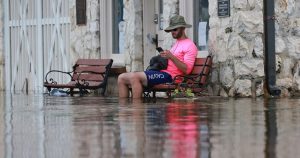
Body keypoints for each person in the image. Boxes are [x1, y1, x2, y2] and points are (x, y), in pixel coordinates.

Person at [118, 15, 198, 98]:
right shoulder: (177, 43)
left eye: (175, 29)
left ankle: (137, 109)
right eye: (171, 30)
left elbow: (187, 70)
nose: (172, 32)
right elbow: (171, 61)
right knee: (121, 78)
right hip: (162, 72)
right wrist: (164, 57)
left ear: (183, 28)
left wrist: (171, 57)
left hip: (172, 77)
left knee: (134, 77)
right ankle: (125, 109)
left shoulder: (190, 45)